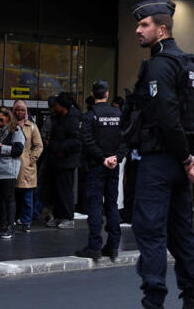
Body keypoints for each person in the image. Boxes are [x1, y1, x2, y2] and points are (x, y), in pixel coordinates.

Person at [127, 0, 194, 309]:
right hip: (181, 163)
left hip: (161, 160)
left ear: (161, 30)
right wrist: (193, 159)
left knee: (150, 232)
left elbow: (166, 117)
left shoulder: (161, 64)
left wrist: (187, 158)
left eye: (144, 24)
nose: (138, 30)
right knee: (181, 234)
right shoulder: (192, 65)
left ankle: (154, 301)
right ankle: (192, 299)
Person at [77, 80, 125, 259]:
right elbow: (126, 140)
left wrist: (102, 158)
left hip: (96, 166)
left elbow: (87, 141)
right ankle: (113, 245)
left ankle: (95, 246)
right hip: (112, 166)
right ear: (107, 94)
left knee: (95, 205)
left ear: (92, 94)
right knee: (112, 205)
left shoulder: (89, 116)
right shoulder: (119, 114)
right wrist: (116, 157)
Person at [0, 106, 25, 239]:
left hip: (8, 169)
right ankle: (2, 223)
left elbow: (18, 150)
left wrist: (2, 147)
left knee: (9, 197)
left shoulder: (16, 130)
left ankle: (10, 226)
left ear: (8, 118)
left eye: (1, 120)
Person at [46, 93, 82, 229]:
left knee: (65, 190)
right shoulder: (60, 118)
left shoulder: (72, 120)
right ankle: (58, 215)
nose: (53, 108)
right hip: (57, 159)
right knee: (57, 190)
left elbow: (76, 140)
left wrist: (60, 148)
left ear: (62, 106)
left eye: (56, 105)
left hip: (66, 160)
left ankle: (68, 217)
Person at [12, 99, 44, 233]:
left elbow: (39, 145)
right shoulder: (9, 124)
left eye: (22, 110)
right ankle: (12, 219)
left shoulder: (31, 126)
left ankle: (26, 221)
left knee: (27, 197)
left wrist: (31, 159)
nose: (19, 112)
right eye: (17, 109)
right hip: (10, 165)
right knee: (12, 196)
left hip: (26, 167)